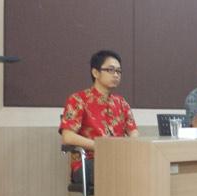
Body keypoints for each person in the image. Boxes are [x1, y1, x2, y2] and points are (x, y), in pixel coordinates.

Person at [59, 50, 139, 185]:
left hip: (118, 160)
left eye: (119, 71)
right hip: (89, 162)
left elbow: (133, 132)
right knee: (123, 172)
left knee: (144, 167)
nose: (116, 75)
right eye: (111, 70)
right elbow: (68, 137)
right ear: (95, 73)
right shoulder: (78, 99)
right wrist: (101, 147)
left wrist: (129, 147)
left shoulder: (121, 102)